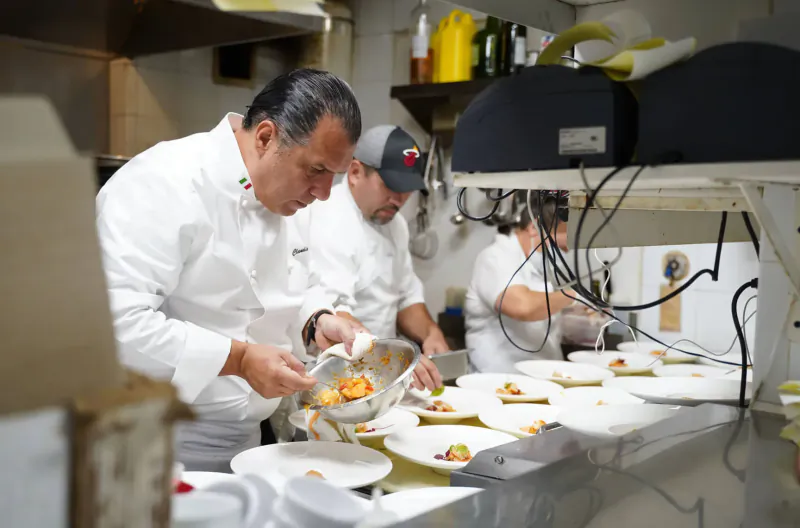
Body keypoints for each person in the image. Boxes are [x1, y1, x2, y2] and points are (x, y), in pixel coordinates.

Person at [95, 69, 365, 471]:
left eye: (334, 177)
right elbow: (116, 326)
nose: (325, 194)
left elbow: (295, 282)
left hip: (251, 444)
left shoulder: (291, 199)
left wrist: (317, 321)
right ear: (266, 137)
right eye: (316, 170)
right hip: (156, 447)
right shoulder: (163, 182)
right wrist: (238, 360)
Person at [308, 125, 445, 391]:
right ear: (356, 173)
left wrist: (430, 333)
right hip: (336, 377)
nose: (399, 199)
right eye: (390, 185)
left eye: (407, 189)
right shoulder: (328, 217)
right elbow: (335, 311)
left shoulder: (396, 225)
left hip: (385, 373)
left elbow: (405, 296)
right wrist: (396, 356)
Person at [464, 199, 576, 373]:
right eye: (560, 246)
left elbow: (545, 312)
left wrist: (580, 315)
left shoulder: (540, 265)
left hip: (543, 377)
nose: (564, 253)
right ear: (534, 228)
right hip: (499, 381)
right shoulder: (495, 257)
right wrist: (575, 297)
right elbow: (523, 307)